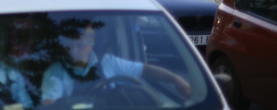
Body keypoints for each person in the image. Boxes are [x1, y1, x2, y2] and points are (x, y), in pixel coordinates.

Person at [41, 24, 191, 105]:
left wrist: (176, 79)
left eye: (80, 45)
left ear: (90, 45)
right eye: (70, 45)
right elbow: (49, 104)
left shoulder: (108, 62)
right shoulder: (56, 71)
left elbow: (146, 70)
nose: (74, 50)